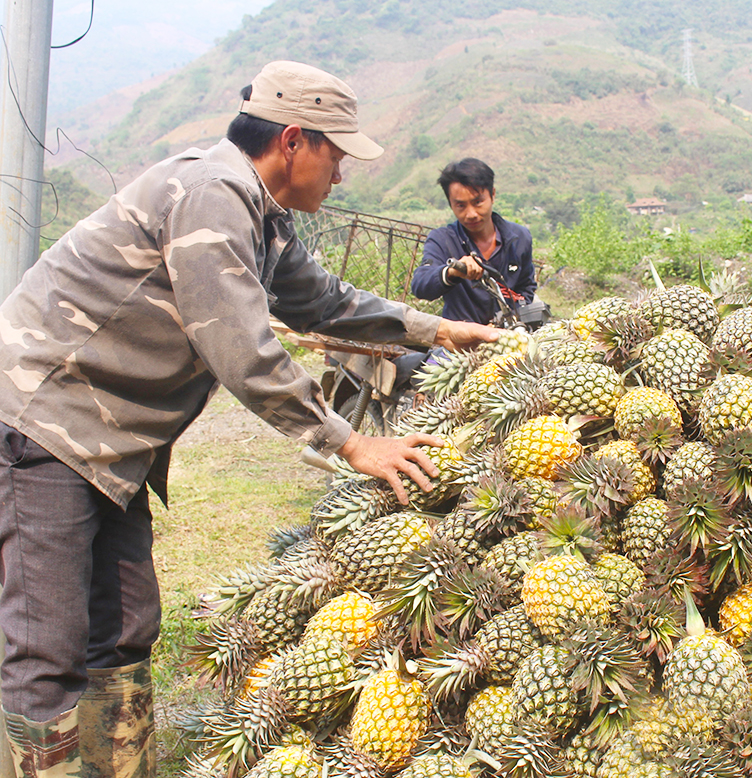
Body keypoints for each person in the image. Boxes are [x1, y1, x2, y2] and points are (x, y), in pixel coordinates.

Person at [0, 61, 495, 778]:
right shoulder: (211, 194)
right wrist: (352, 442)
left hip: (109, 443)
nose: (342, 176)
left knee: (124, 629)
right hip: (47, 421)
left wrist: (440, 331)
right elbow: (241, 347)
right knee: (47, 648)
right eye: (337, 155)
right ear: (293, 141)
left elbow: (324, 301)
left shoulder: (261, 214)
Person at [410, 158, 537, 324]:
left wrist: (511, 318)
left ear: (492, 195)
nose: (471, 214)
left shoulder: (519, 238)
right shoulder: (442, 239)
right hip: (459, 344)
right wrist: (452, 272)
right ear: (450, 204)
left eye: (478, 202)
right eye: (461, 206)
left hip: (508, 340)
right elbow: (420, 285)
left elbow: (526, 287)